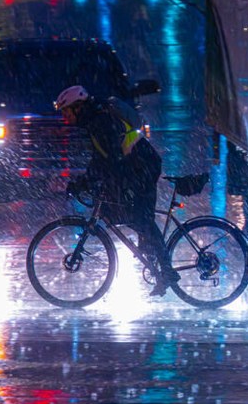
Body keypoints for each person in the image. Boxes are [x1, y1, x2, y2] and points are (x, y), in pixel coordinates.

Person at [55, 85, 180, 297]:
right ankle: (152, 257)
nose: (65, 118)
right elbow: (102, 158)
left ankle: (167, 271)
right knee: (126, 214)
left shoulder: (100, 120)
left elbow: (111, 158)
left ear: (77, 107)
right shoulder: (94, 119)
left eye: (66, 112)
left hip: (143, 167)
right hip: (135, 167)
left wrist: (86, 181)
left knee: (142, 219)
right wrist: (88, 180)